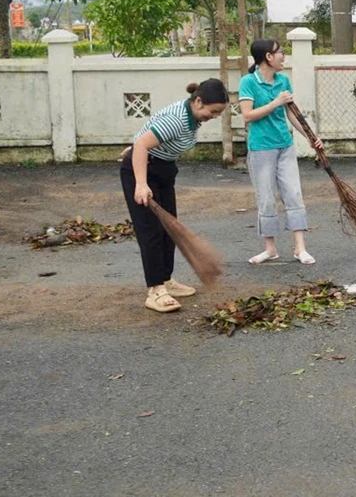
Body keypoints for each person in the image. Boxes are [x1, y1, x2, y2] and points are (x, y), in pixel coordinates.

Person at [121, 79, 228, 313]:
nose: (215, 116)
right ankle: (155, 290)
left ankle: (166, 279)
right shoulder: (178, 119)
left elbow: (149, 134)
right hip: (143, 171)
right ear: (198, 101)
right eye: (214, 111)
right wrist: (140, 183)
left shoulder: (192, 115)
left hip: (163, 169)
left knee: (168, 228)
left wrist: (139, 147)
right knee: (150, 231)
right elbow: (142, 145)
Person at [239, 38, 323, 265]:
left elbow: (292, 114)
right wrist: (276, 102)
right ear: (268, 56)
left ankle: (300, 248)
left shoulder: (283, 80)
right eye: (280, 53)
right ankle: (270, 249)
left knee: (293, 194)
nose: (283, 56)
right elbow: (247, 116)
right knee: (266, 198)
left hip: (285, 145)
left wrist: (310, 136)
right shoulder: (248, 82)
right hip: (260, 148)